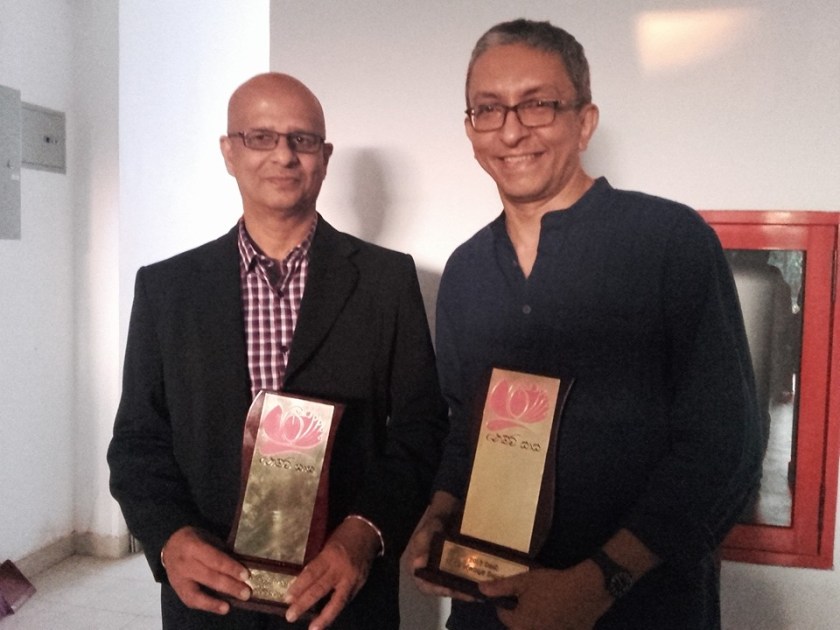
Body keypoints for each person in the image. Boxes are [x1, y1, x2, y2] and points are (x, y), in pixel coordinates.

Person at [406, 19, 763, 629]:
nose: (511, 130)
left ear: (584, 121)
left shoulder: (669, 242)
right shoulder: (466, 270)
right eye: (488, 109)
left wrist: (598, 583)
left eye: (537, 104)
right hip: (488, 608)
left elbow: (723, 445)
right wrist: (436, 516)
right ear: (470, 129)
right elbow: (465, 429)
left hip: (641, 609)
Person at [108, 72, 448, 630]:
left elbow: (422, 428)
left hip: (342, 594)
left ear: (325, 157)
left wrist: (364, 532)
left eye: (302, 139)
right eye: (260, 137)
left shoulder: (386, 281)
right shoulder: (167, 289)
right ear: (229, 152)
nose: (284, 155)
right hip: (213, 596)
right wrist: (170, 538)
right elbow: (137, 442)